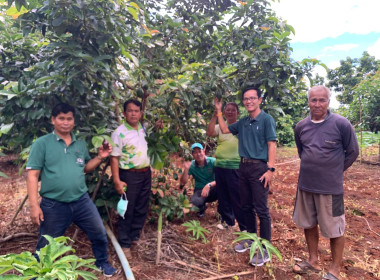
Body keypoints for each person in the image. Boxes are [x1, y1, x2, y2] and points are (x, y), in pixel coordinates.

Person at [26, 103, 116, 277]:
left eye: (69, 119)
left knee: (98, 232)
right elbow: (32, 175)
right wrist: (34, 206)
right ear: (53, 120)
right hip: (53, 205)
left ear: (73, 121)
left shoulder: (80, 144)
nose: (65, 123)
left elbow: (85, 168)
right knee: (46, 244)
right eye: (61, 118)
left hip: (81, 201)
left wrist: (99, 157)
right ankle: (39, 273)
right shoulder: (42, 144)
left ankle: (102, 262)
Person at [292, 85, 359, 280]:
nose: (318, 104)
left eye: (322, 100)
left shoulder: (341, 124)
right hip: (305, 186)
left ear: (329, 101)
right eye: (314, 100)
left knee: (335, 229)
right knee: (308, 223)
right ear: (308, 102)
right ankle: (312, 261)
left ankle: (334, 269)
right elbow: (302, 152)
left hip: (331, 188)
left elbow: (353, 152)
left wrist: (335, 170)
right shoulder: (301, 126)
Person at [214, 87, 277, 266]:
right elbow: (225, 129)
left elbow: (271, 144)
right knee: (245, 206)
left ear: (259, 100)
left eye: (252, 98)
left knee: (261, 209)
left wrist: (270, 170)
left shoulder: (266, 120)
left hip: (259, 167)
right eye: (246, 99)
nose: (249, 101)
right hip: (243, 166)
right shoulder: (243, 122)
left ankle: (265, 250)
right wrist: (219, 111)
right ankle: (250, 238)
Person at [110, 99, 151, 260]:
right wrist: (117, 181)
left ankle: (135, 237)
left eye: (136, 111)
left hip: (145, 173)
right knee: (127, 209)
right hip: (129, 175)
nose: (133, 113)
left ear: (141, 113)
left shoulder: (143, 128)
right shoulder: (119, 132)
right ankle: (124, 243)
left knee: (141, 207)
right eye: (130, 110)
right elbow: (114, 158)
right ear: (125, 113)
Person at [206, 102, 245, 230]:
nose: (229, 112)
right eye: (227, 110)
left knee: (236, 195)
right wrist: (214, 115)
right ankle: (228, 222)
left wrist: (219, 113)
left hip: (234, 166)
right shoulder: (219, 125)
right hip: (220, 165)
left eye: (232, 110)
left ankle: (242, 224)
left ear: (238, 113)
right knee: (223, 194)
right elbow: (210, 132)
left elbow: (225, 129)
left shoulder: (241, 126)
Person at [180, 143, 217, 218]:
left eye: (199, 151)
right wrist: (186, 169)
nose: (198, 154)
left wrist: (209, 185)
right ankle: (202, 207)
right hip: (200, 190)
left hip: (214, 187)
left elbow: (221, 178)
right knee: (196, 202)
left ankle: (222, 213)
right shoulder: (192, 165)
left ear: (203, 151)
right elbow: (183, 182)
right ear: (192, 155)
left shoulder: (213, 161)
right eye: (195, 152)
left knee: (225, 190)